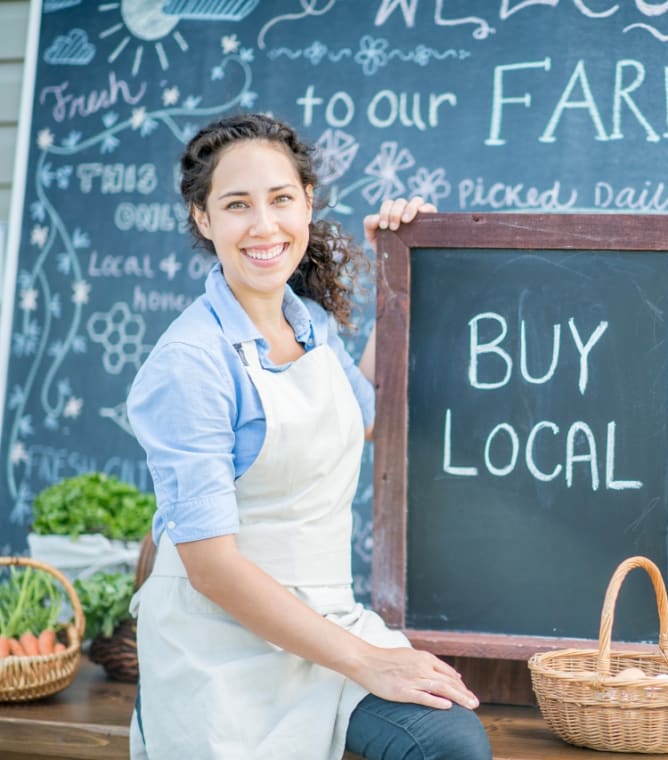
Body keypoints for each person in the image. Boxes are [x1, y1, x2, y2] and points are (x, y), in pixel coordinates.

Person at [126, 112, 492, 760]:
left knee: (450, 744)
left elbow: (368, 416)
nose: (264, 226)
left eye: (281, 199)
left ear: (308, 204)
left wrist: (400, 270)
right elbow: (213, 570)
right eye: (237, 205)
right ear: (203, 219)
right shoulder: (189, 364)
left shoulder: (309, 322)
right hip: (221, 650)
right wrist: (368, 662)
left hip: (327, 628)